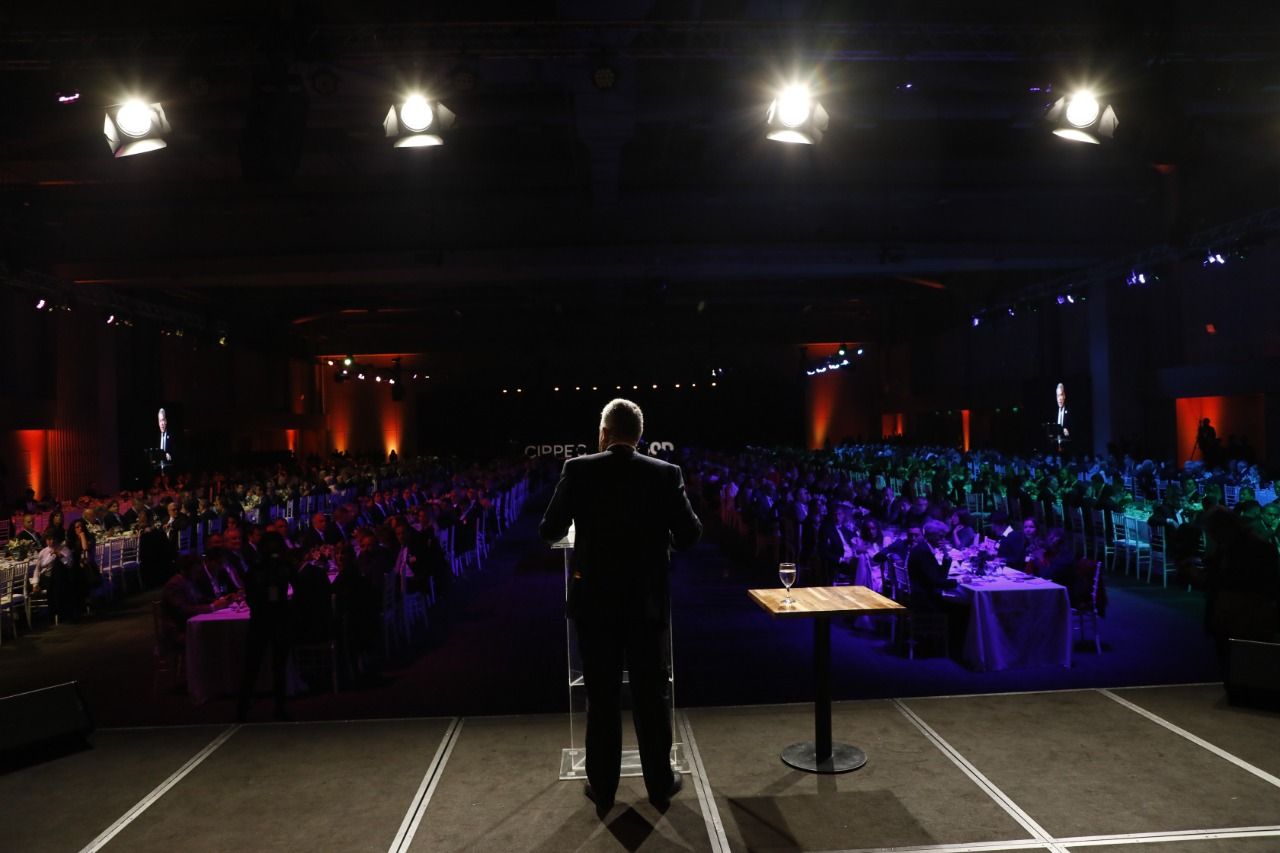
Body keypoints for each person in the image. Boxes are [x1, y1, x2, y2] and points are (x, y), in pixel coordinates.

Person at [539, 398, 702, 818]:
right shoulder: (666, 474)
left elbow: (550, 530)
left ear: (604, 433)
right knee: (651, 695)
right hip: (646, 603)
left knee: (602, 697)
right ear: (640, 435)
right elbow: (690, 534)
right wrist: (658, 539)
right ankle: (659, 786)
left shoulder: (578, 470)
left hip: (595, 604)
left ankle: (604, 787)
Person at [236, 531, 296, 722]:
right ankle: (273, 707)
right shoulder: (266, 569)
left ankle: (245, 708)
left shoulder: (258, 569)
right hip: (270, 619)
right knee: (266, 666)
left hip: (265, 620)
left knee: (256, 666)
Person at [157, 407, 175, 472]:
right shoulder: (156, 437)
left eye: (163, 420)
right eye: (160, 421)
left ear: (166, 421)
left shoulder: (172, 436)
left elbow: (176, 453)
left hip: (169, 470)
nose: (161, 423)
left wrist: (170, 455)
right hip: (158, 471)